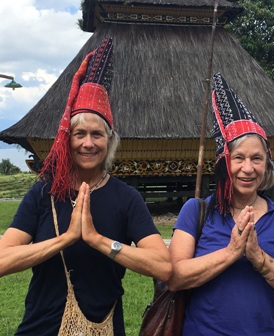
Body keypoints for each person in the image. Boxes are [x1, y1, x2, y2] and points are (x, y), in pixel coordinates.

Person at [0, 37, 171, 335]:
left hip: (103, 328)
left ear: (109, 142)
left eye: (97, 134)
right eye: (80, 134)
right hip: (41, 328)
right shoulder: (44, 193)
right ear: (67, 139)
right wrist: (66, 239)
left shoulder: (126, 198)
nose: (88, 143)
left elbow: (163, 266)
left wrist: (98, 241)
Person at [167, 73, 274, 335]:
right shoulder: (196, 211)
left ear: (266, 165)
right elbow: (175, 278)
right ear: (224, 163)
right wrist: (231, 252)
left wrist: (259, 259)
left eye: (257, 158)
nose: (248, 168)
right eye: (239, 158)